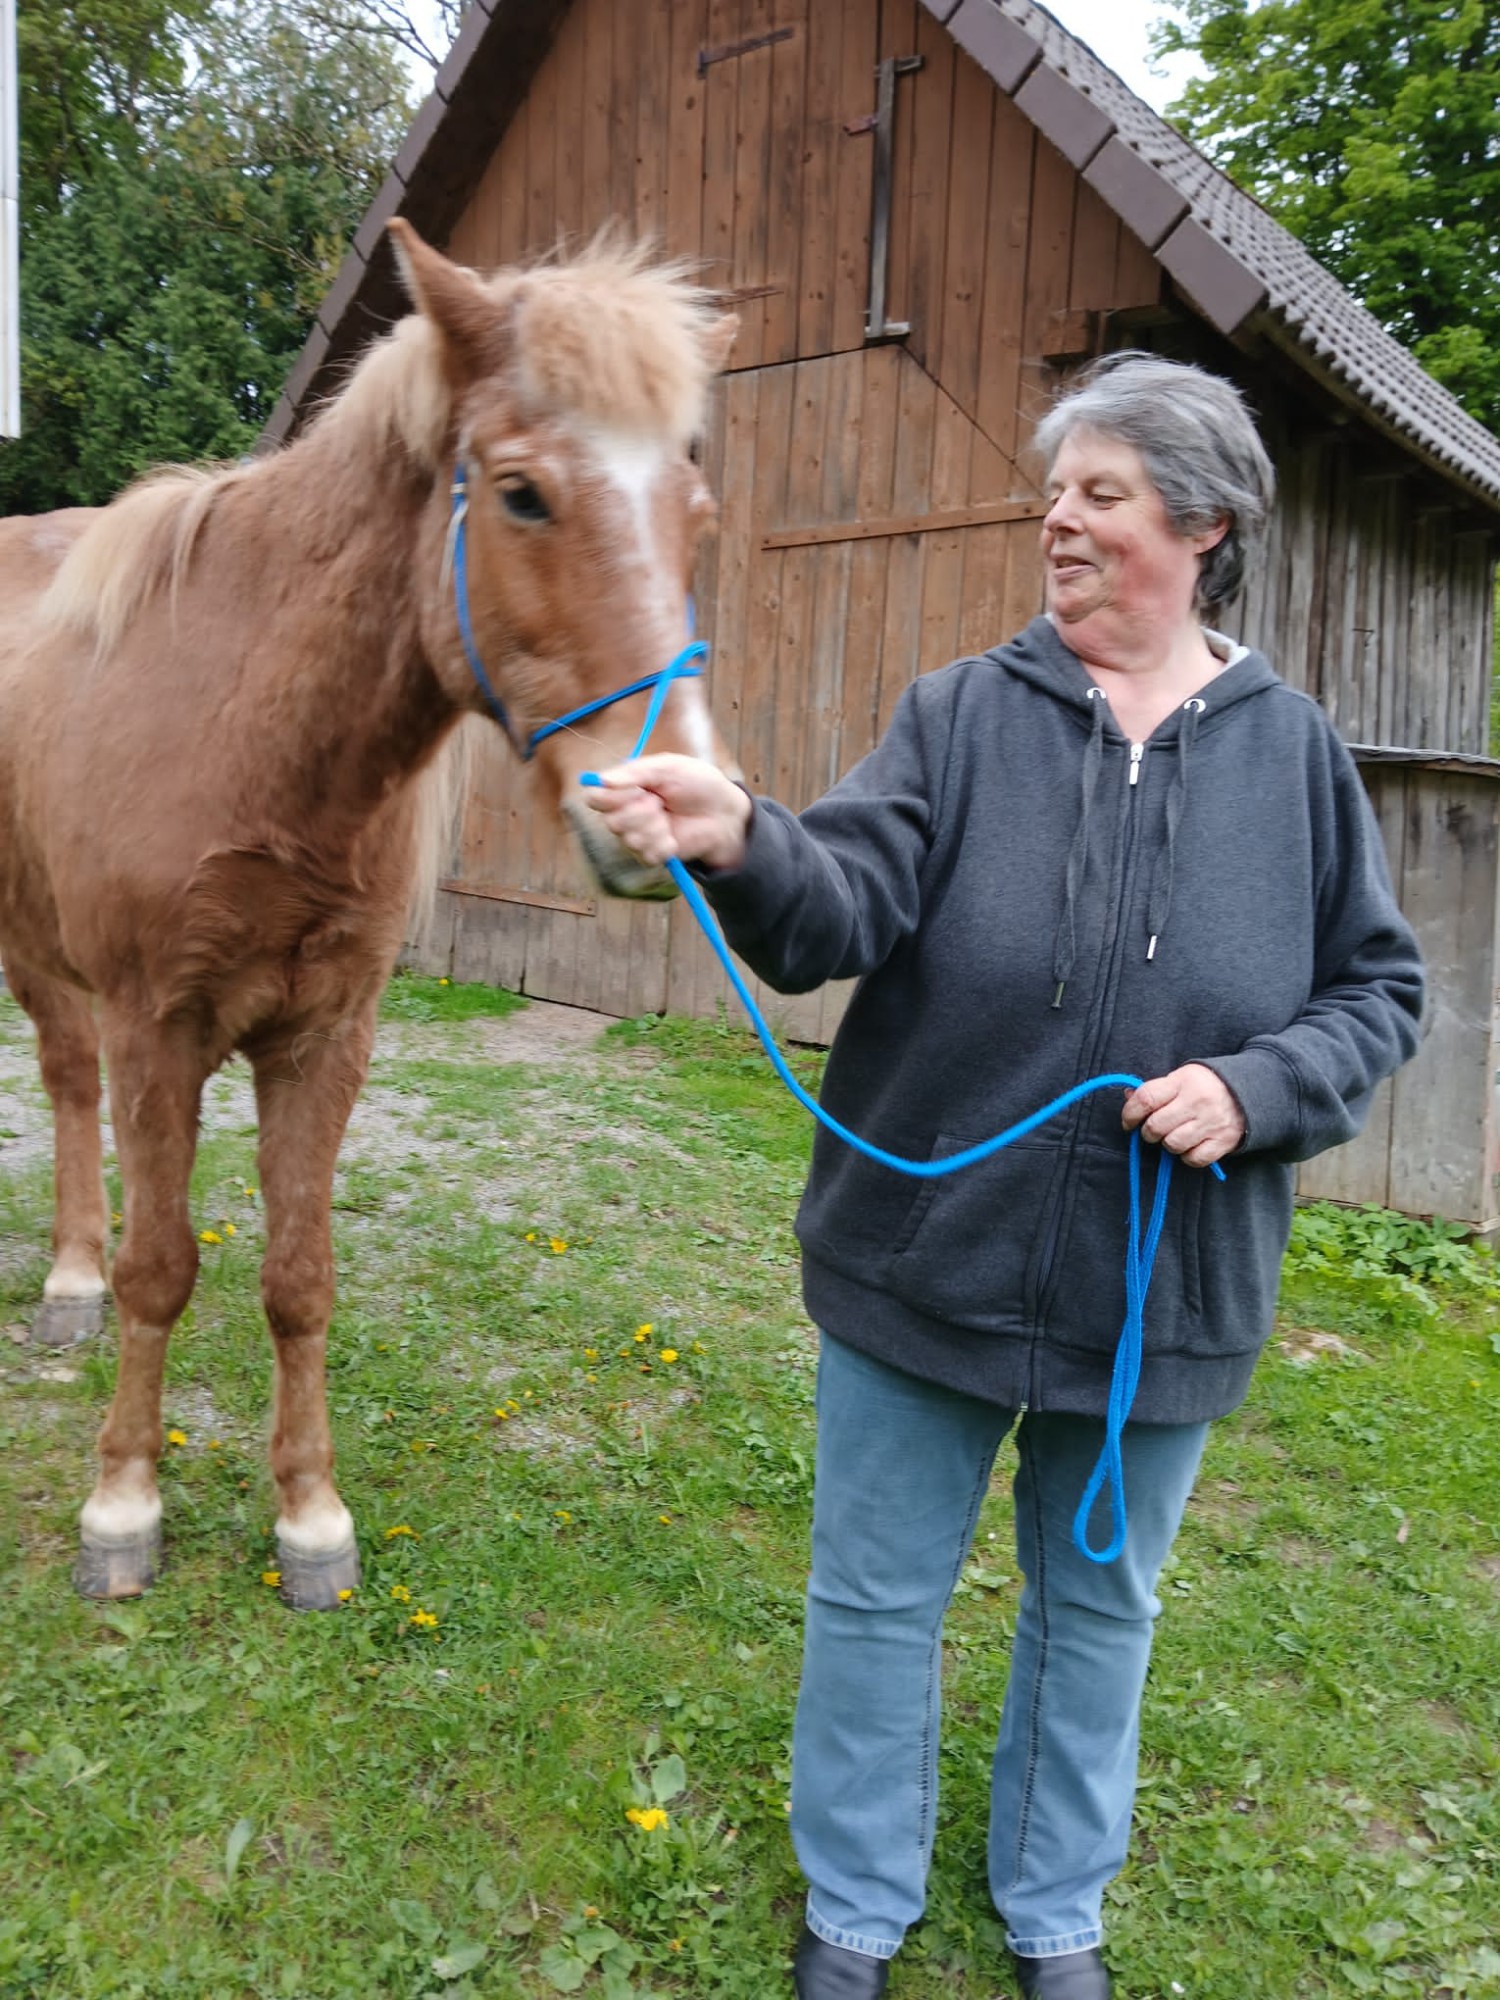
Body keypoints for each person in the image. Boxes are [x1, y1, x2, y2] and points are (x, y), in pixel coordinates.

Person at [584, 354, 1424, 2000]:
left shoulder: (1295, 753)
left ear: (1204, 524)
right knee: (874, 1599)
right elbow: (841, 906)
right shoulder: (962, 714)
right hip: (925, 1255)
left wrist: (1256, 1089)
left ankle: (1057, 1911)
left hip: (1159, 1293)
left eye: (1102, 493)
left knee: (1099, 1617)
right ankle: (856, 1904)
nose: (1060, 520)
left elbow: (1379, 992)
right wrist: (744, 833)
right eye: (1057, 492)